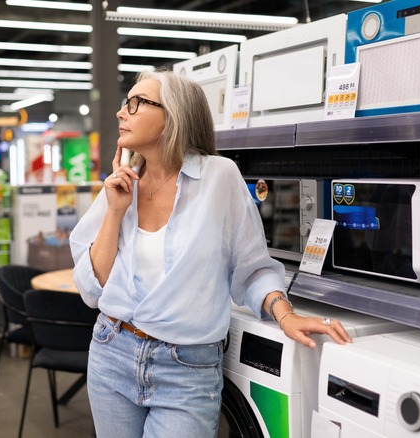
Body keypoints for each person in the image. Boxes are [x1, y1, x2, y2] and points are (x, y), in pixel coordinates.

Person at [69, 69, 352, 437]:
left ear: (173, 115)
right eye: (126, 103)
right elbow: (92, 289)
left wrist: (285, 316)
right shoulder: (124, 183)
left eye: (137, 103)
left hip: (185, 370)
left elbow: (251, 268)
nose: (123, 112)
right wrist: (115, 210)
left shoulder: (219, 178)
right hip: (112, 350)